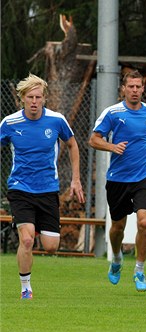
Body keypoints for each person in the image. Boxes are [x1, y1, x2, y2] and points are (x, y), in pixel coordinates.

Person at [0, 73, 85, 299]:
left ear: (44, 98)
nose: (34, 101)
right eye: (30, 97)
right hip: (20, 188)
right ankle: (25, 287)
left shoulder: (56, 120)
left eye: (38, 97)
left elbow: (73, 145)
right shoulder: (10, 123)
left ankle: (30, 224)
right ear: (22, 99)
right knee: (27, 240)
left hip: (48, 189)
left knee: (50, 246)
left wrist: (75, 179)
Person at [89, 70, 146, 292]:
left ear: (143, 88)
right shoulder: (112, 113)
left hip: (145, 174)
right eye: (130, 86)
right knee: (117, 227)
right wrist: (112, 147)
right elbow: (94, 139)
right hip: (118, 178)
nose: (134, 90)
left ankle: (139, 270)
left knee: (143, 222)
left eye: (138, 86)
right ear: (123, 89)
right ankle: (117, 258)